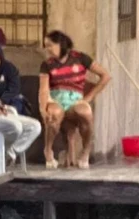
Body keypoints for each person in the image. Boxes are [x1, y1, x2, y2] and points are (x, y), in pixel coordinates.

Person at [39, 30, 111, 170]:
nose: (47, 49)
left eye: (50, 45)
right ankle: (48, 150)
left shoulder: (80, 58)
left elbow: (105, 76)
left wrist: (88, 98)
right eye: (45, 46)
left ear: (61, 44)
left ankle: (85, 152)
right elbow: (43, 90)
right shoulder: (47, 64)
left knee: (85, 113)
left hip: (76, 100)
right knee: (53, 114)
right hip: (55, 99)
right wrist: (43, 109)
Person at [0, 41, 26, 114]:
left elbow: (14, 87)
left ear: (1, 58)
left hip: (8, 99)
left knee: (18, 102)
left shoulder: (10, 68)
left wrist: (3, 100)